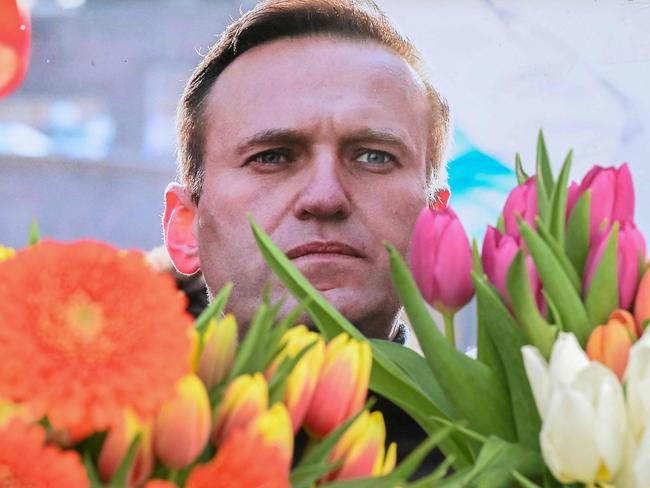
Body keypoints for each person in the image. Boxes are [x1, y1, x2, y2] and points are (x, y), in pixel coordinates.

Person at [162, 0, 449, 342]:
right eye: (270, 157)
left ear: (438, 233)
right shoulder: (103, 397)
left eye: (375, 157)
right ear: (185, 227)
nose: (325, 197)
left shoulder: (525, 398)